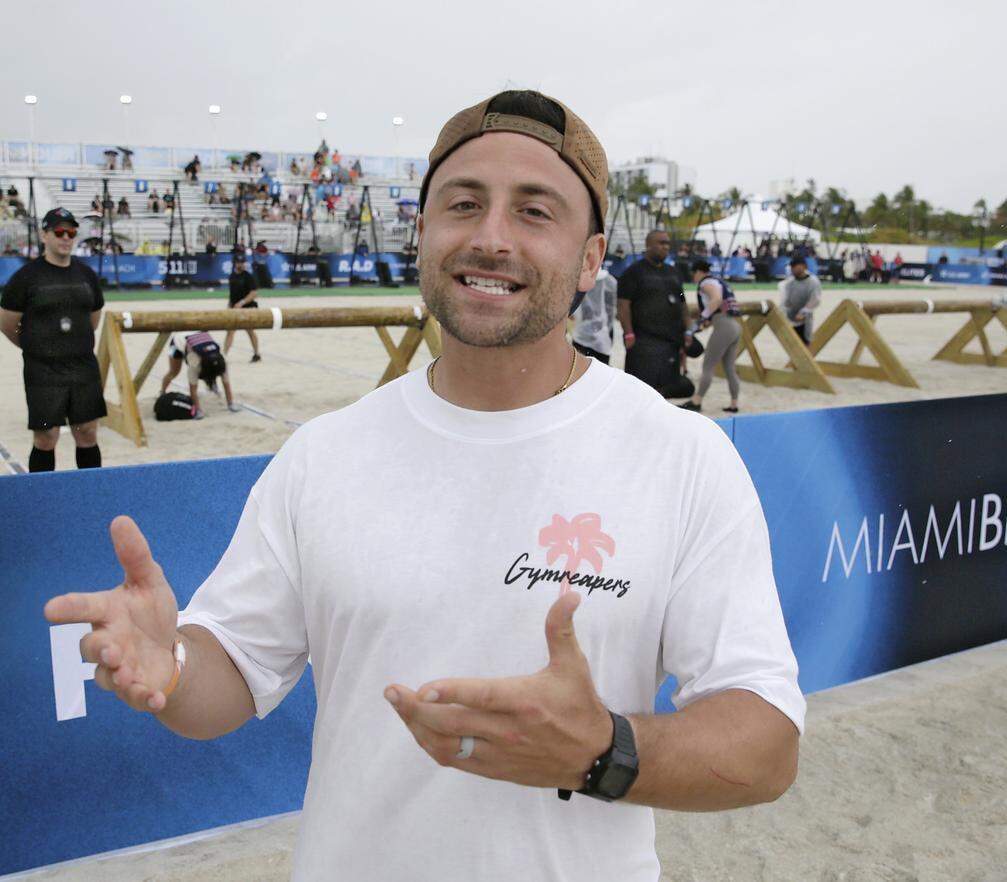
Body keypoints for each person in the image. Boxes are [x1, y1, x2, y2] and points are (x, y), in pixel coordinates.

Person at [44, 90, 803, 882]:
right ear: (422, 233)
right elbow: (229, 676)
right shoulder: (324, 454)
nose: (490, 237)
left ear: (589, 257)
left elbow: (767, 744)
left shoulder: (681, 456)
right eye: (463, 204)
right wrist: (168, 664)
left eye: (535, 212)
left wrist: (603, 751)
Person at [0, 208, 105, 472]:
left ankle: (90, 493)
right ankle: (41, 500)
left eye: (71, 232)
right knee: (46, 438)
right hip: (42, 370)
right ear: (44, 235)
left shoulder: (86, 275)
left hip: (83, 366)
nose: (66, 237)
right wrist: (38, 347)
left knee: (87, 433)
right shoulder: (25, 278)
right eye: (59, 232)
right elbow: (7, 325)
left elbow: (93, 318)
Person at [617, 230, 695, 399]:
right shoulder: (633, 273)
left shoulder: (674, 273)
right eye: (661, 243)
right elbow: (623, 305)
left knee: (665, 392)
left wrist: (688, 328)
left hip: (671, 343)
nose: (665, 247)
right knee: (639, 392)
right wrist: (628, 333)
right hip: (643, 342)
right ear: (648, 245)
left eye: (667, 243)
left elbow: (682, 299)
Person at [680, 258, 742, 413]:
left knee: (708, 365)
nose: (693, 278)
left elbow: (716, 300)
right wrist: (701, 324)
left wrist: (702, 318)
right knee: (729, 368)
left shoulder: (705, 283)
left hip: (723, 327)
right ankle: (734, 403)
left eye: (693, 274)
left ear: (698, 272)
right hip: (734, 326)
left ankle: (697, 400)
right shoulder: (719, 281)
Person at [160, 331, 239, 417]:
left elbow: (227, 384)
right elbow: (193, 388)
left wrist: (231, 404)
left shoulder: (222, 362)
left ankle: (212, 385)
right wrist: (198, 410)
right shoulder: (195, 363)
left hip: (198, 339)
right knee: (174, 372)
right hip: (177, 342)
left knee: (212, 376)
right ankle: (162, 392)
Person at [570, 265, 617, 364]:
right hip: (602, 334)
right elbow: (611, 310)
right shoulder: (610, 281)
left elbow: (573, 311)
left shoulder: (579, 280)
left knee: (580, 369)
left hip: (582, 334)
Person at [223, 255, 262, 362]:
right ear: (235, 263)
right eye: (238, 262)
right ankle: (224, 355)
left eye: (242, 262)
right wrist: (229, 306)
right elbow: (232, 294)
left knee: (250, 330)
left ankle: (256, 353)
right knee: (230, 331)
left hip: (248, 308)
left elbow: (254, 293)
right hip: (234, 308)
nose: (240, 264)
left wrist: (242, 302)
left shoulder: (248, 276)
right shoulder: (232, 276)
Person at [780, 255, 822, 344]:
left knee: (805, 344)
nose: (792, 269)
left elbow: (815, 300)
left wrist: (804, 312)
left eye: (795, 266)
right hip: (790, 320)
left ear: (803, 266)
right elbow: (785, 302)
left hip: (805, 321)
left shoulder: (813, 282)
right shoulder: (789, 283)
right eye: (792, 267)